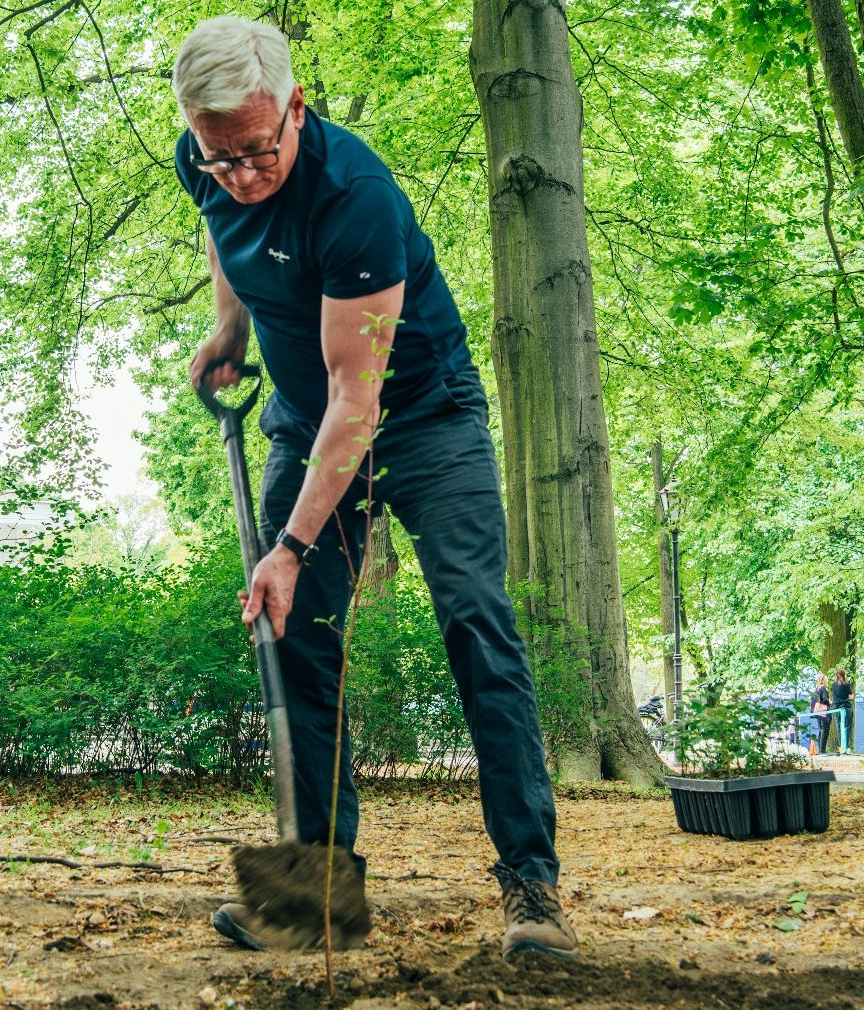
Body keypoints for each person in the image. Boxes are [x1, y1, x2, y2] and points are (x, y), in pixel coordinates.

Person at [172, 17, 575, 960]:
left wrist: (293, 545)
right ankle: (313, 897)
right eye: (217, 153)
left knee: (477, 621)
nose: (238, 171)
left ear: (297, 110)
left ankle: (531, 886)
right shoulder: (209, 156)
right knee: (297, 643)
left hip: (421, 414)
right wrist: (229, 326)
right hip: (305, 423)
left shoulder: (356, 198)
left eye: (257, 151)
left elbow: (360, 398)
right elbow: (221, 226)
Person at [831, 668, 854, 753]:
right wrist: (848, 697)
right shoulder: (846, 684)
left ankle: (841, 746)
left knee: (839, 727)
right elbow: (851, 696)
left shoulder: (833, 685)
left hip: (836, 709)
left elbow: (834, 696)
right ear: (844, 675)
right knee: (847, 727)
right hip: (846, 708)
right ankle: (846, 747)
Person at [809, 674, 832, 752]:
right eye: (826, 679)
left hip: (817, 712)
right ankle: (822, 750)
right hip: (824, 712)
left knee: (821, 730)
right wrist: (830, 702)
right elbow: (825, 699)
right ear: (822, 680)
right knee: (825, 730)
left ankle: (820, 749)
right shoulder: (823, 688)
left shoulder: (816, 689)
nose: (827, 681)